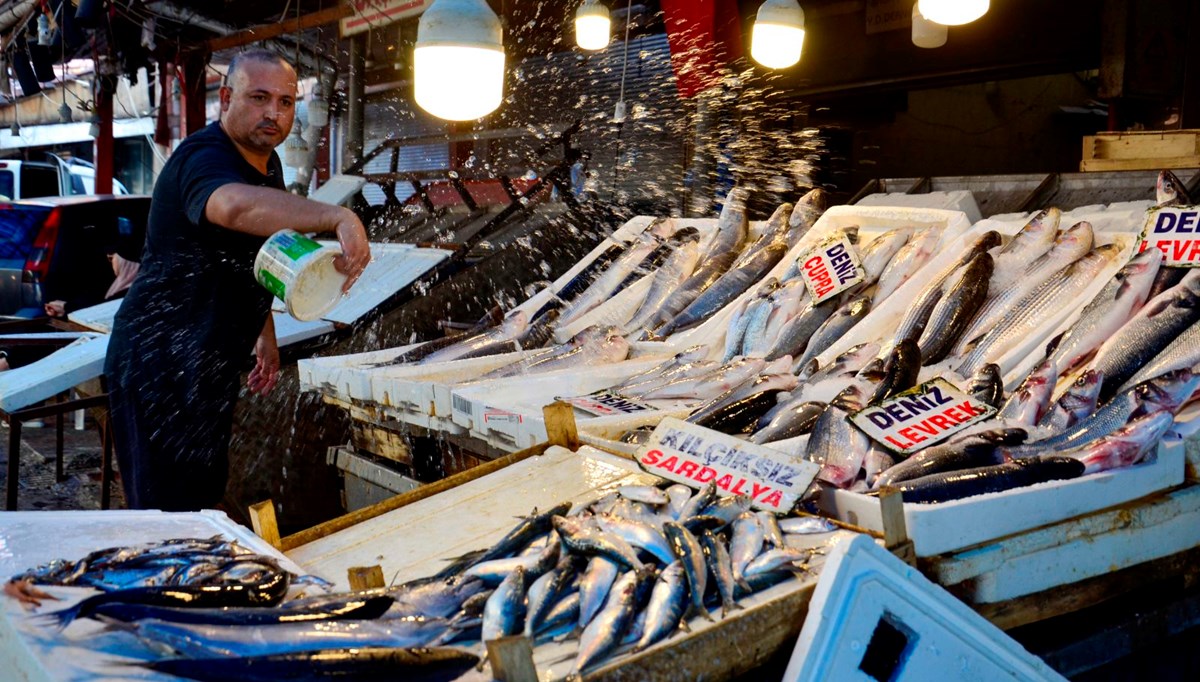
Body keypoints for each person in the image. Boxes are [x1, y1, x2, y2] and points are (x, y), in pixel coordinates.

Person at [104, 50, 370, 511]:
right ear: (225, 98)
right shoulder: (204, 157)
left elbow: (261, 255)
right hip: (159, 363)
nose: (274, 113)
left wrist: (263, 334)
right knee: (164, 516)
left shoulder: (268, 165)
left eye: (286, 102)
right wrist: (335, 215)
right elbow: (232, 208)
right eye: (260, 97)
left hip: (209, 363)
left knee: (202, 499)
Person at [44, 250, 140, 319]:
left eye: (112, 259)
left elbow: (100, 311)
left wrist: (66, 307)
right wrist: (64, 308)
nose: (111, 264)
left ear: (126, 264)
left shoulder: (132, 292)